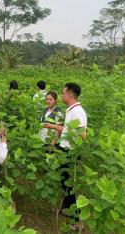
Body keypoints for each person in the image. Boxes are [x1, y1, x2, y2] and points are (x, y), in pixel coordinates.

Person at [43, 82, 87, 224]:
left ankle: (75, 218)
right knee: (64, 182)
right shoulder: (71, 110)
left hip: (71, 151)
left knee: (69, 184)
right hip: (65, 149)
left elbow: (82, 134)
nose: (61, 95)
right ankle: (65, 209)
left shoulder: (77, 112)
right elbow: (68, 129)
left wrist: (55, 126)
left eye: (63, 93)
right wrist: (53, 126)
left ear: (69, 94)